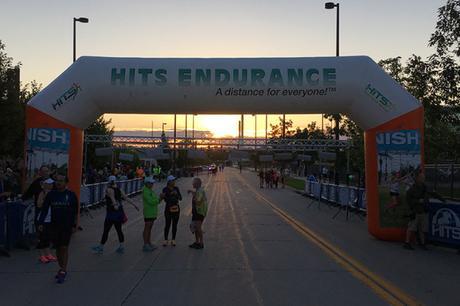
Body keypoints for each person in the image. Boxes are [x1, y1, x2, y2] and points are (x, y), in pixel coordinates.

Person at [38, 173, 78, 284]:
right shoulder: (51, 195)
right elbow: (45, 209)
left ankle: (63, 270)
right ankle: (61, 267)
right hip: (54, 225)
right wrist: (41, 222)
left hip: (66, 226)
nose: (58, 183)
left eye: (61, 181)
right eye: (57, 181)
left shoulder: (71, 195)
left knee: (64, 247)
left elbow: (75, 211)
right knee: (58, 249)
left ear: (66, 183)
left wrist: (74, 225)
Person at [92, 176, 139, 254]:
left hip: (111, 213)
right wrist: (134, 205)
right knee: (119, 230)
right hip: (119, 213)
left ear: (109, 182)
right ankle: (121, 246)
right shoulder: (119, 189)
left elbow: (112, 197)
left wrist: (115, 205)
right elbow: (126, 198)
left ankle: (101, 247)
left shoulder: (109, 189)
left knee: (106, 230)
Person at [403, 171, 444, 250]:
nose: (423, 178)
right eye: (421, 177)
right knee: (411, 227)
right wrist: (417, 201)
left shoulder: (425, 187)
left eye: (423, 177)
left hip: (424, 211)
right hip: (416, 211)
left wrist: (442, 200)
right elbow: (408, 199)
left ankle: (422, 243)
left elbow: (433, 193)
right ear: (417, 178)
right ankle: (407, 243)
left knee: (423, 228)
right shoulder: (412, 189)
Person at [36, 178, 57, 264]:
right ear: (45, 184)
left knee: (47, 238)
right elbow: (39, 204)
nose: (51, 185)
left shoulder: (53, 193)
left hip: (50, 219)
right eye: (49, 184)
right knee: (42, 238)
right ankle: (41, 256)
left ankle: (48, 254)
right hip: (42, 219)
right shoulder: (42, 193)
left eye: (52, 183)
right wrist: (45, 198)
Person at [161, 175, 182, 246]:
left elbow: (180, 198)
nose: (174, 182)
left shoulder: (176, 188)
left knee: (174, 225)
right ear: (169, 181)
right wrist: (170, 194)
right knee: (167, 224)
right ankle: (166, 240)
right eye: (173, 180)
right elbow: (165, 199)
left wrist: (176, 195)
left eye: (174, 180)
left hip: (176, 208)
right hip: (168, 209)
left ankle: (173, 239)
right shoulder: (165, 189)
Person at [188, 177, 207, 249]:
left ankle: (201, 243)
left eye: (193, 183)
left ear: (197, 184)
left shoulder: (200, 191)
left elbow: (198, 202)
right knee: (195, 227)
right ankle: (197, 242)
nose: (192, 184)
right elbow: (197, 194)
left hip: (199, 212)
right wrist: (192, 192)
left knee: (198, 228)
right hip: (196, 212)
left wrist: (194, 195)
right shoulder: (198, 190)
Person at [142, 176, 159, 252]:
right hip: (148, 212)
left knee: (150, 228)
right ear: (146, 183)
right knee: (147, 228)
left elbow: (155, 200)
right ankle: (145, 244)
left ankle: (149, 243)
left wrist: (158, 199)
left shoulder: (150, 190)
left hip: (152, 212)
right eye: (151, 183)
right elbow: (151, 201)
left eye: (152, 183)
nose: (152, 184)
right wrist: (159, 199)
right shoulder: (145, 191)